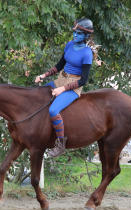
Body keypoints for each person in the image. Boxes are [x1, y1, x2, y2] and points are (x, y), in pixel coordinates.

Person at [34, 18, 97, 157]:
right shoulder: (69, 45)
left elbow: (84, 81)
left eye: (79, 33)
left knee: (53, 110)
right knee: (38, 94)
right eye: (75, 32)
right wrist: (43, 75)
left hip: (73, 86)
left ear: (86, 36)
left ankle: (61, 144)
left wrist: (62, 89)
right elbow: (59, 65)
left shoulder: (87, 53)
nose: (75, 35)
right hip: (60, 80)